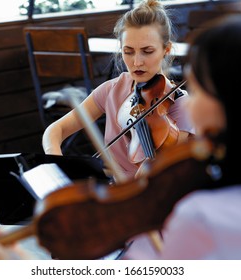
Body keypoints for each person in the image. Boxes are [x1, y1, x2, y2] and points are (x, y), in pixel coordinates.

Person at [0, 15, 241, 260]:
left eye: (199, 89)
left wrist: (15, 264)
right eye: (129, 52)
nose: (192, 104)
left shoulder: (204, 218)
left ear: (230, 104)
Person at [42, 0, 194, 180]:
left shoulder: (180, 104)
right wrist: (58, 167)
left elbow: (159, 179)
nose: (137, 62)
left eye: (147, 51)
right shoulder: (112, 89)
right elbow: (55, 130)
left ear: (166, 49)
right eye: (128, 52)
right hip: (113, 191)